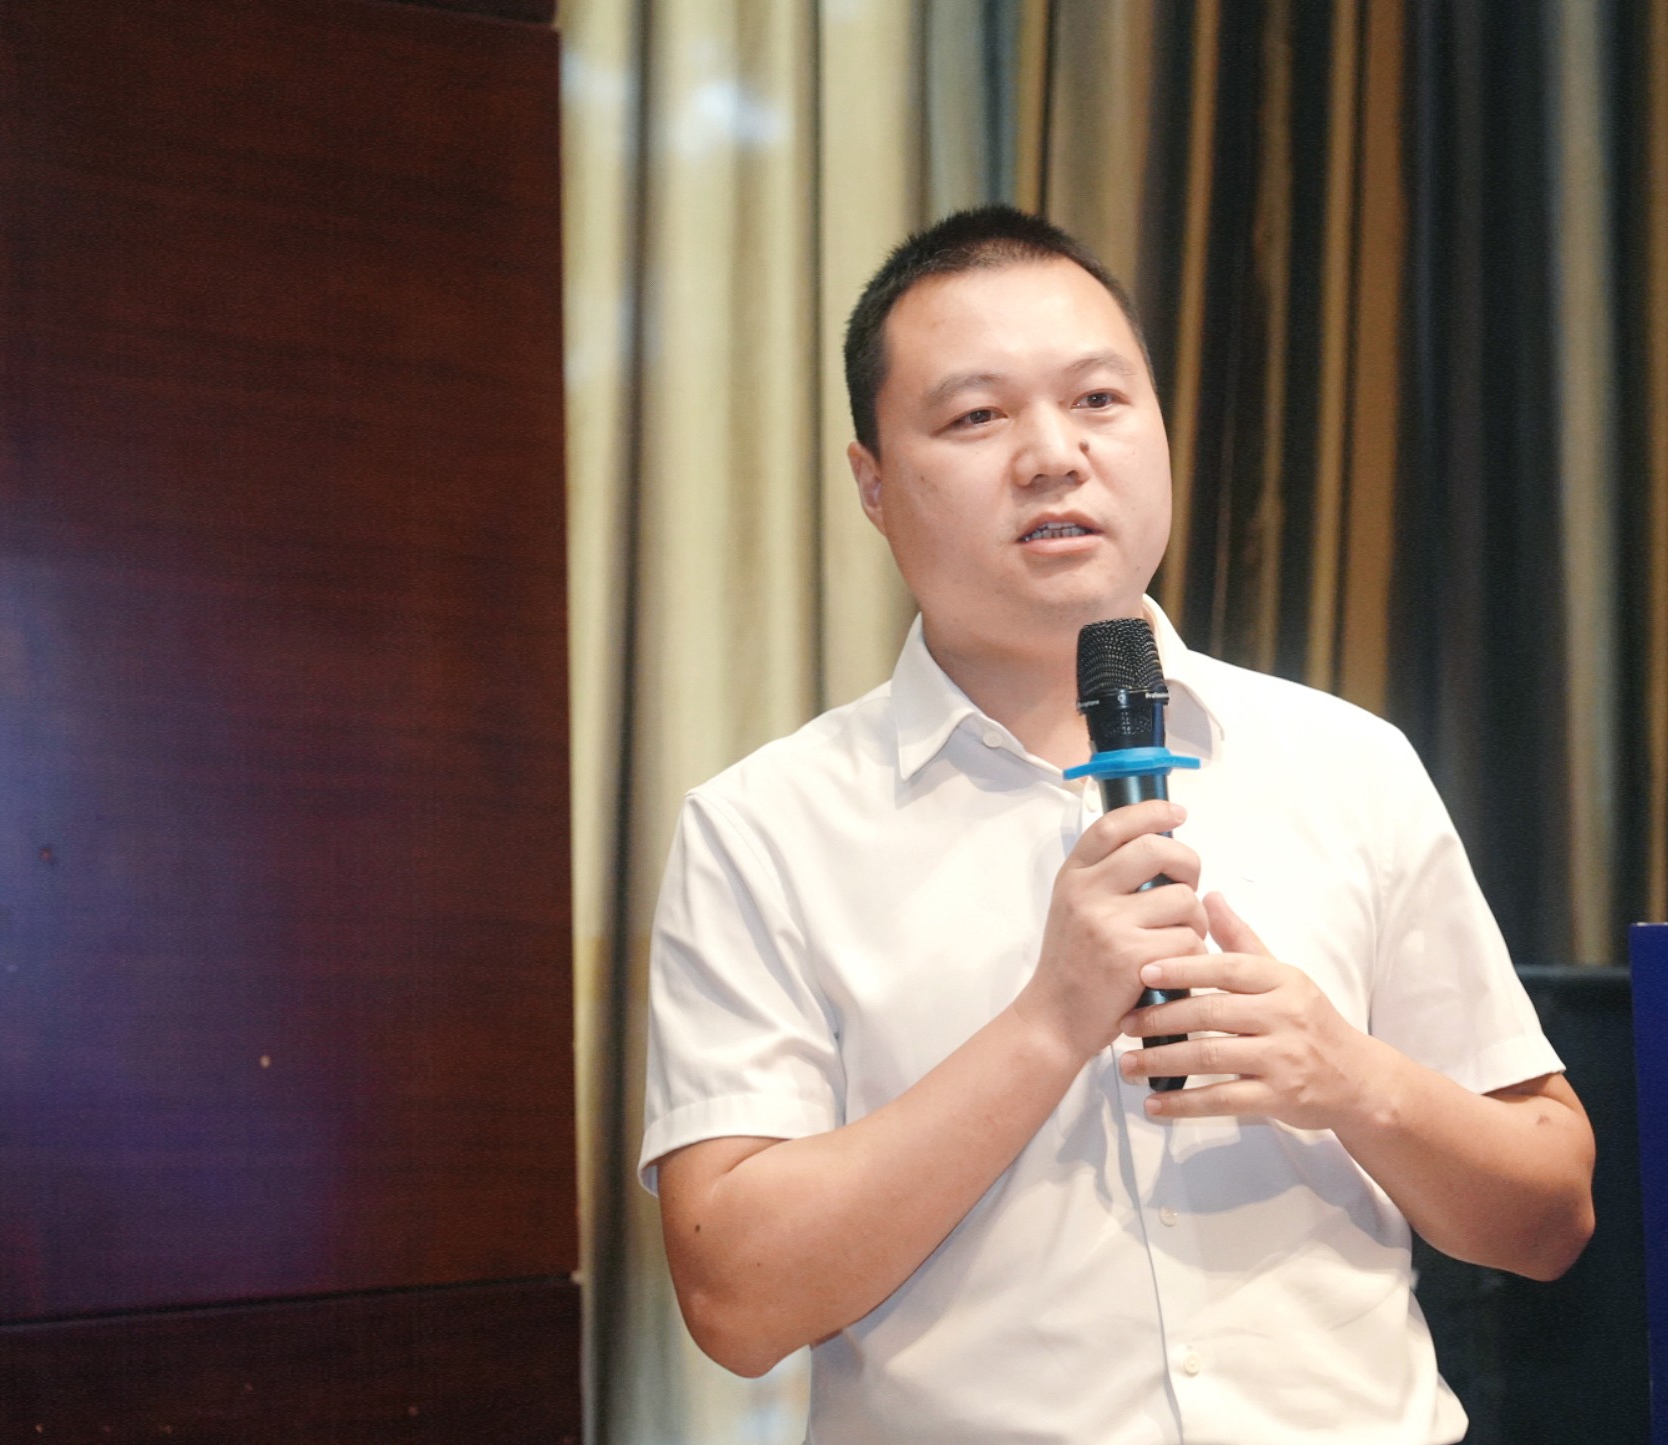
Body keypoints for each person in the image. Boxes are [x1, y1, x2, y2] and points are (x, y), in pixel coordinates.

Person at [640, 205, 1594, 1444]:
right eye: (977, 416)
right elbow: (736, 1297)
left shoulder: (1346, 761)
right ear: (872, 483)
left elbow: (1549, 1215)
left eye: (1098, 399)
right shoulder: (765, 828)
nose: (1053, 455)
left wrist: (1353, 1077)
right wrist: (1049, 1020)